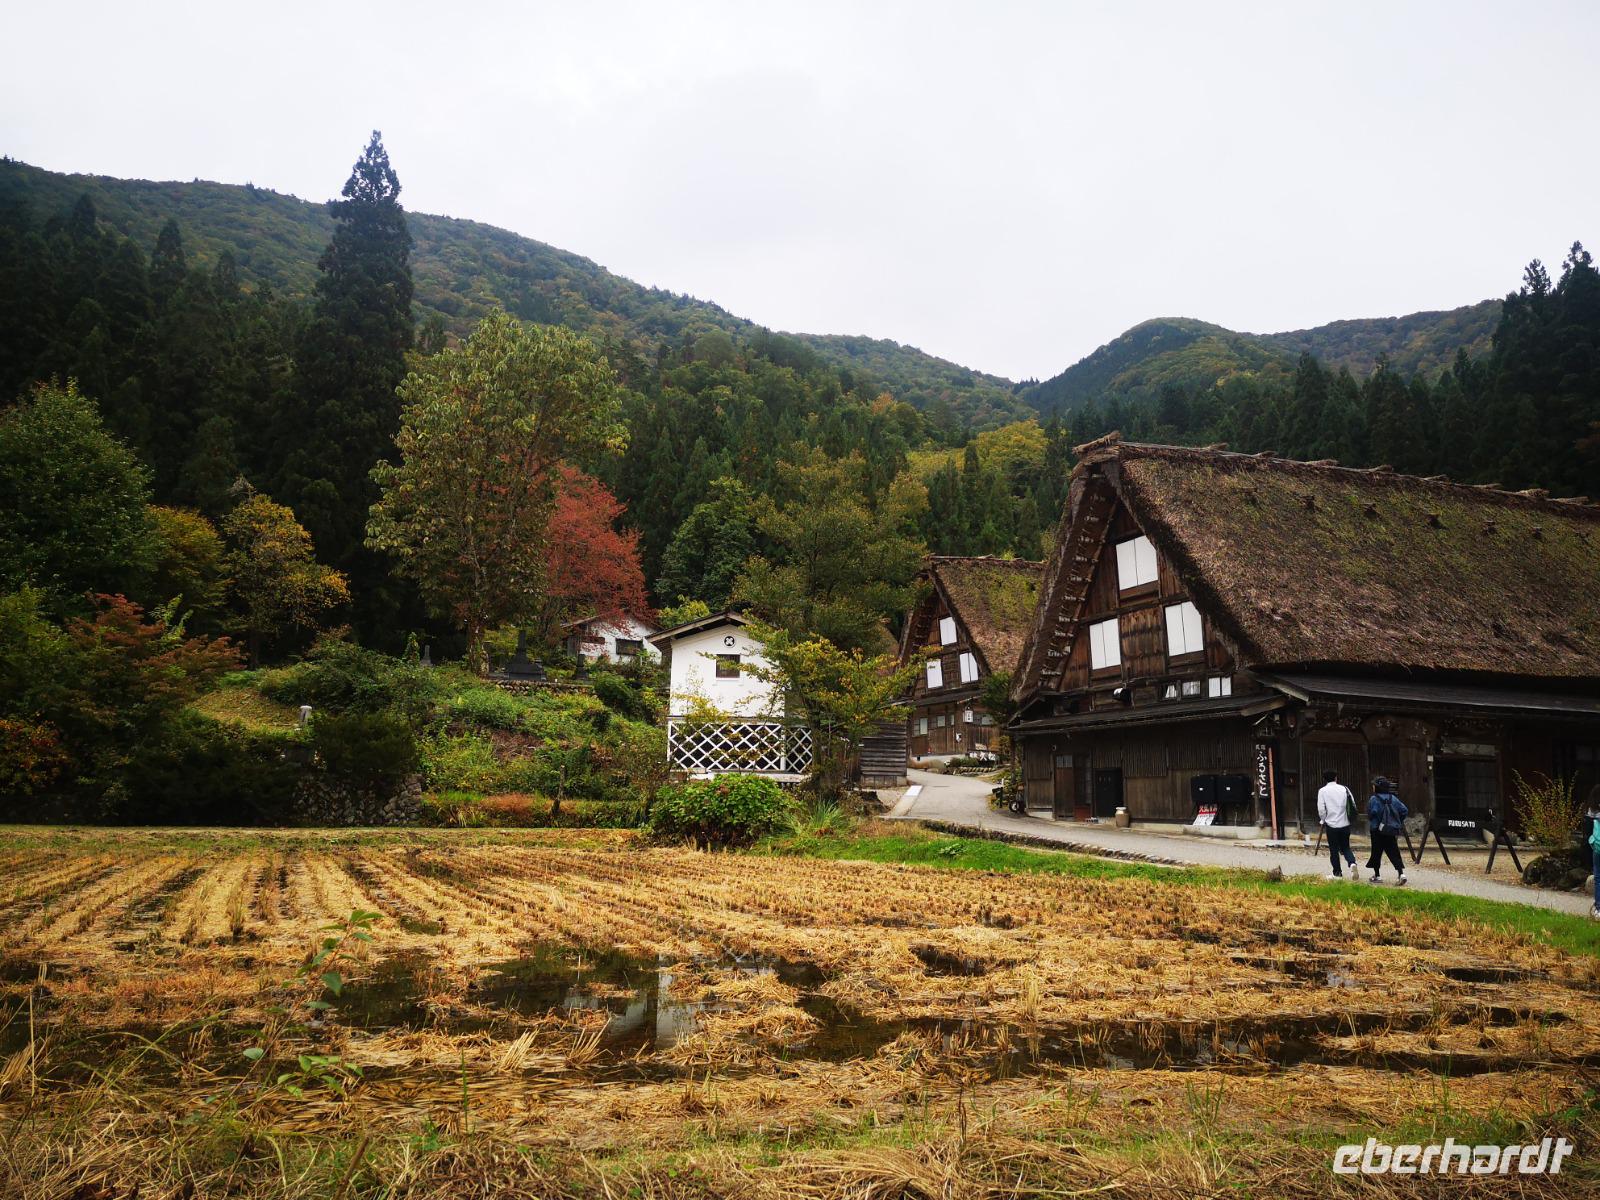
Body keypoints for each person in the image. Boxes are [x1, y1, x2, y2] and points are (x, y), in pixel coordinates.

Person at [1315, 768, 1358, 879]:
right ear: (1336, 778)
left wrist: (1323, 819)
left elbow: (1321, 809)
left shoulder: (1322, 791)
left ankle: (1337, 873)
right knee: (1346, 847)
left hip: (1331, 825)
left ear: (1324, 779)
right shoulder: (1344, 789)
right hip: (1345, 823)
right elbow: (1352, 804)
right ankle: (1352, 863)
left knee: (1334, 849)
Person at [1366, 777, 1408, 885]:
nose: (1373, 786)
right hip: (1390, 830)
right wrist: (1396, 821)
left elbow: (1371, 814)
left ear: (1377, 787)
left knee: (1376, 852)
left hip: (1377, 830)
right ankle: (1401, 874)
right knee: (1394, 851)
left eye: (1374, 785)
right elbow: (1404, 810)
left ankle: (1377, 875)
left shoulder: (1374, 799)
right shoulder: (1393, 798)